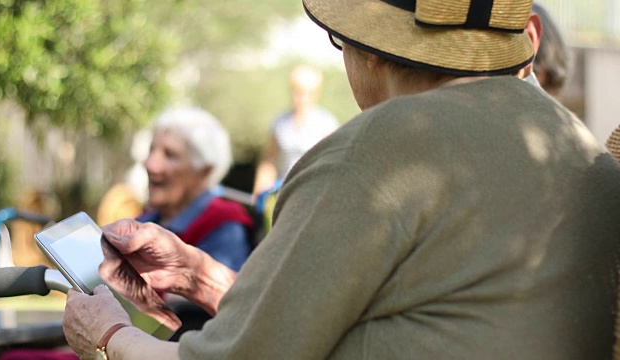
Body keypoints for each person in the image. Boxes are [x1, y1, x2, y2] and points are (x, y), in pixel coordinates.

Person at [63, 1, 620, 359]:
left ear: (372, 54)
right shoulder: (572, 145)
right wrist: (201, 277)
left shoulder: (380, 147)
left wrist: (110, 334)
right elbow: (435, 317)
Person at [136, 107, 253, 273]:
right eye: (151, 150)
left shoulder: (224, 227)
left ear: (204, 171)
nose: (150, 164)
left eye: (169, 155)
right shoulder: (146, 220)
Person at [251, 65, 339, 196]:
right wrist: (259, 193)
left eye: (304, 92)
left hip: (314, 195)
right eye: (295, 91)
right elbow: (269, 161)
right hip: (283, 194)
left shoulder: (327, 124)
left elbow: (333, 166)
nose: (299, 97)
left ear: (316, 93)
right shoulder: (280, 123)